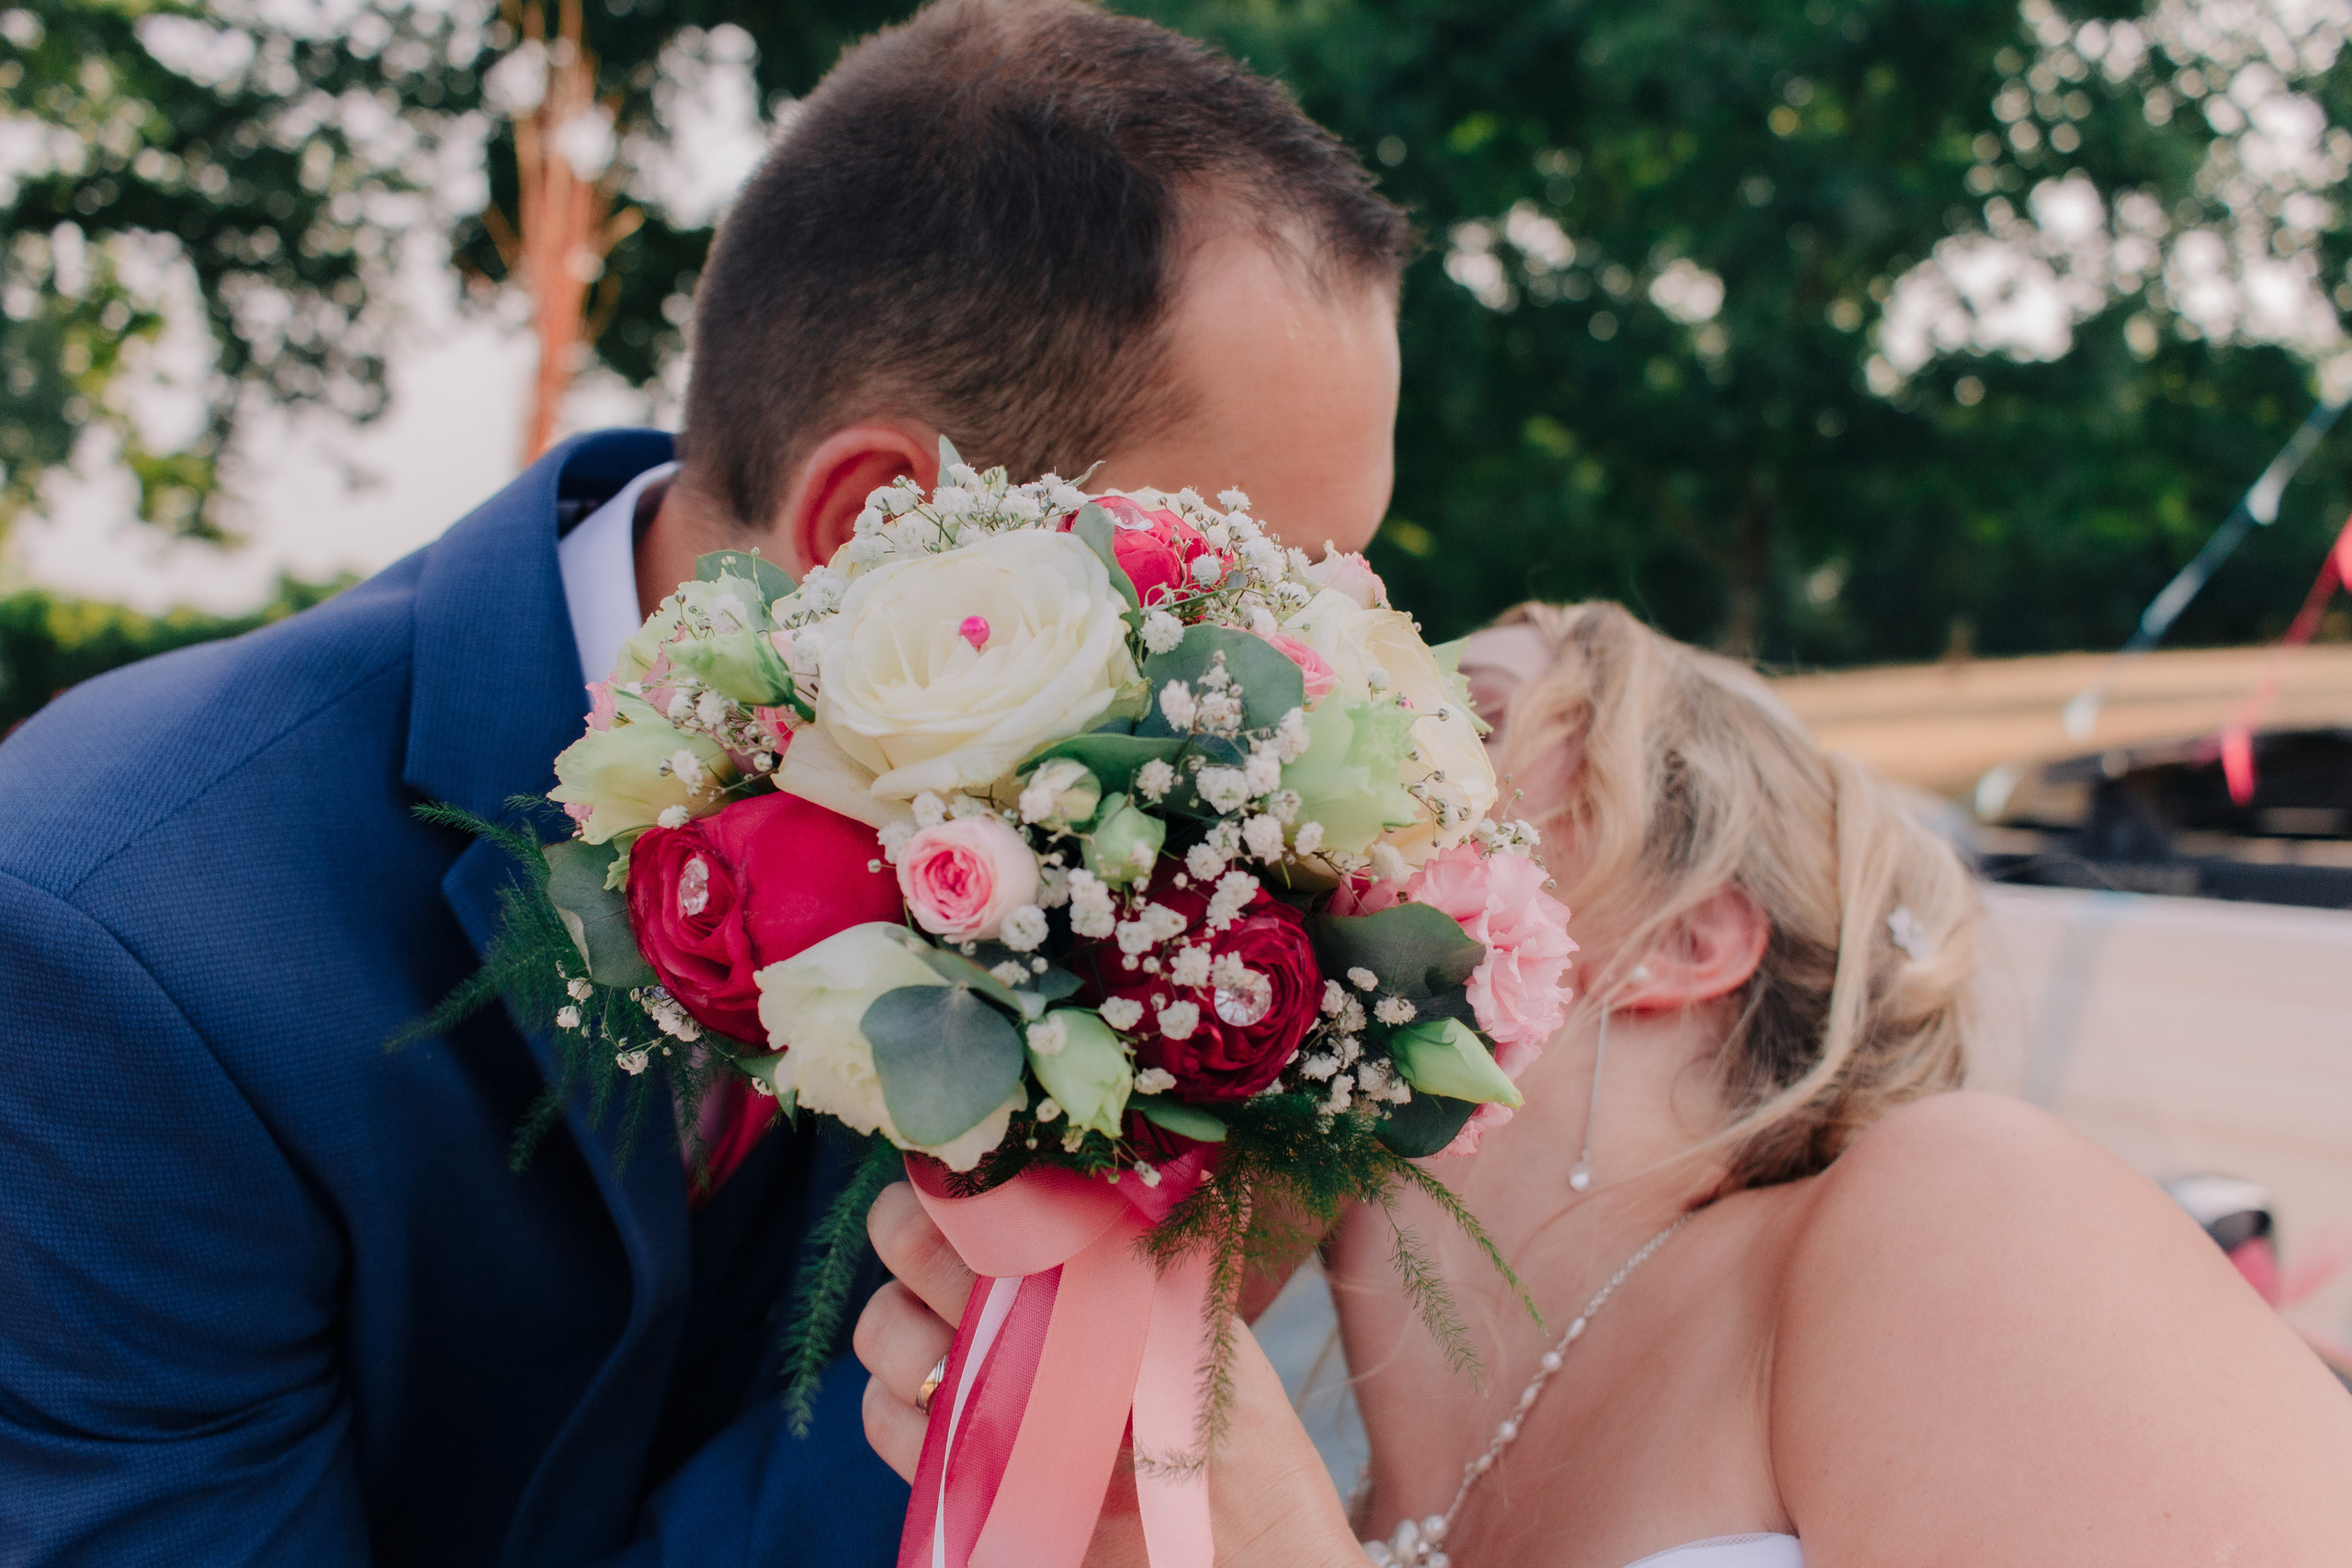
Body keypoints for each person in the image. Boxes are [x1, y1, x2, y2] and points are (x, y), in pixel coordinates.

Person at [0, 2, 1408, 1561]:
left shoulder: (1137, 895)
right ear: (877, 531)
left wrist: (1096, 1327)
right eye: (1235, 590)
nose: (1303, 684)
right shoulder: (113, 943)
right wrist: (998, 1424)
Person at [856, 601, 2352, 1565]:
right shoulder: (1321, 1494)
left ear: (1679, 937)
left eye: (1464, 725)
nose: (1289, 766)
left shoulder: (1956, 1219)